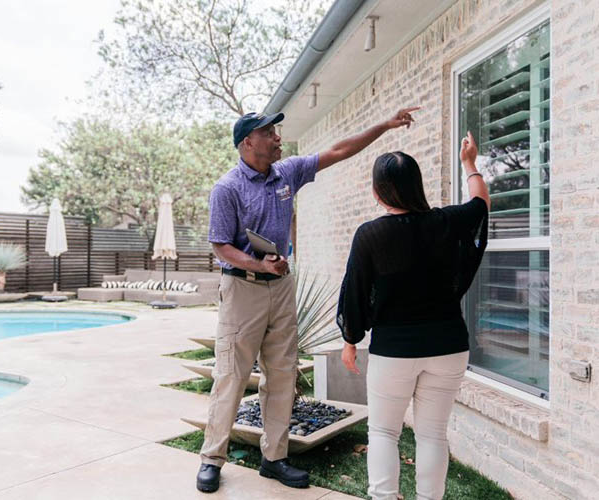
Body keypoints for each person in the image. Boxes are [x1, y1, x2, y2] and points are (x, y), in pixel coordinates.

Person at [196, 106, 419, 493]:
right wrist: (258, 264)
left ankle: (275, 458)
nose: (279, 138)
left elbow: (338, 151)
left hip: (281, 288)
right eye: (270, 133)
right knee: (231, 376)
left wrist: (384, 124)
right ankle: (212, 458)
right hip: (242, 290)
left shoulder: (288, 172)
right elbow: (220, 247)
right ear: (248, 142)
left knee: (282, 374)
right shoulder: (227, 188)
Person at [337, 132, 490, 500]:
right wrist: (469, 163)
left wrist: (350, 340)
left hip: (394, 352)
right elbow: (481, 203)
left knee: (384, 433)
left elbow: (354, 292)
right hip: (449, 347)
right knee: (433, 433)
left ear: (378, 192)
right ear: (416, 186)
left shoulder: (370, 235)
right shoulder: (448, 223)